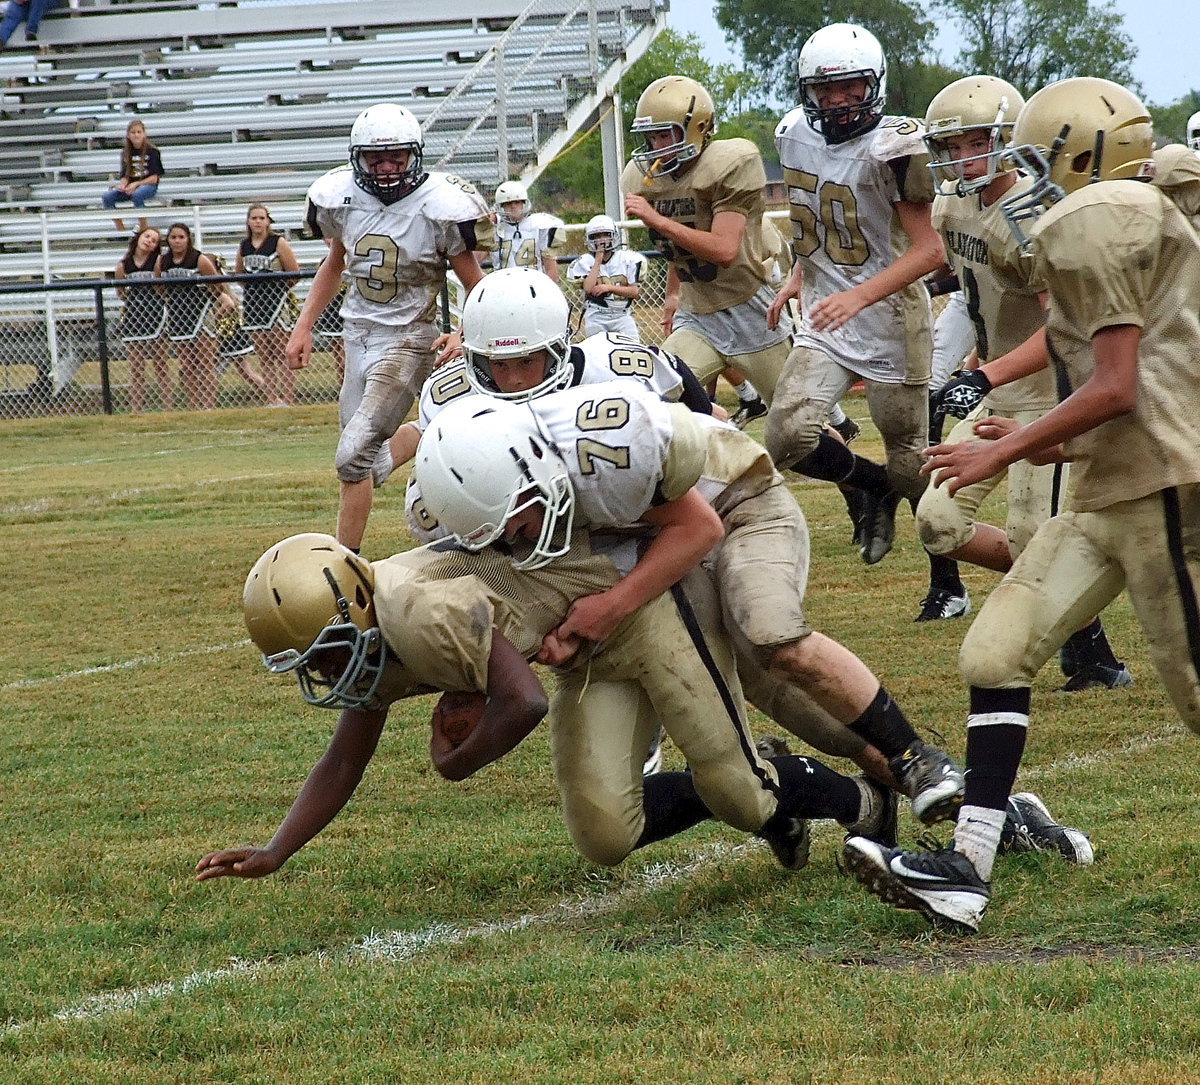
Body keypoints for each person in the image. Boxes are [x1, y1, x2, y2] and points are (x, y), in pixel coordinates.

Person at [844, 77, 1200, 934]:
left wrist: (998, 449)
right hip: (1110, 485)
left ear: (1082, 155)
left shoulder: (1098, 216)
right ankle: (966, 870)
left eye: (1038, 158)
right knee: (994, 652)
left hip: (1160, 489)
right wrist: (1033, 431)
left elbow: (1118, 388)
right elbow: (1123, 384)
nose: (1025, 174)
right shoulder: (1118, 213)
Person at [195, 531, 900, 883]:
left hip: (635, 606)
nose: (322, 672)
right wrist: (275, 850)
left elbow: (521, 699)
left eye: (321, 652)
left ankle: (864, 802)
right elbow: (346, 755)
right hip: (583, 646)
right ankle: (771, 768)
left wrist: (457, 760)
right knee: (604, 832)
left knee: (743, 794)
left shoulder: (413, 612)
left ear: (352, 610)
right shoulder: (374, 628)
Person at [414, 384, 969, 827]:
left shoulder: (604, 453)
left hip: (738, 507)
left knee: (768, 633)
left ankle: (918, 757)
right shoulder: (466, 490)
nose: (512, 539)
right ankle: (921, 798)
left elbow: (697, 527)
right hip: (665, 547)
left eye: (515, 521)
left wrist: (608, 609)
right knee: (776, 695)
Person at [915, 74, 1131, 680]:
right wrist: (971, 363)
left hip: (1047, 396)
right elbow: (973, 294)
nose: (961, 158)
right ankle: (1084, 623)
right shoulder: (950, 205)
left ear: (1007, 138)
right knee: (938, 523)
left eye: (974, 142)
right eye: (950, 147)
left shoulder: (1032, 218)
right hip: (996, 386)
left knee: (1036, 536)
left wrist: (984, 376)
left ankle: (1087, 648)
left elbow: (1063, 328)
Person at [765, 24, 969, 625]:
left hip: (890, 315)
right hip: (831, 310)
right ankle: (867, 483)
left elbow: (929, 250)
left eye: (849, 86)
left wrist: (856, 297)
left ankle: (947, 580)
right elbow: (818, 222)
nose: (836, 101)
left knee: (911, 455)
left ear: (872, 84)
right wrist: (802, 274)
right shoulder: (791, 135)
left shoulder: (895, 147)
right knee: (786, 436)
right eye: (824, 90)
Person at [286, 103, 492, 554]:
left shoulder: (440, 205)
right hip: (356, 333)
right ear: (357, 159)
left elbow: (474, 280)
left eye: (396, 156)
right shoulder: (340, 199)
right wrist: (304, 326)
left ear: (413, 155)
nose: (385, 167)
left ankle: (345, 564)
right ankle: (424, 435)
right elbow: (335, 263)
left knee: (351, 454)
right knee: (366, 460)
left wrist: (464, 330)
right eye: (375, 159)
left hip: (409, 337)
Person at [621, 76, 793, 419]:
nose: (655, 147)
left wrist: (656, 219)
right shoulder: (647, 180)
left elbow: (723, 249)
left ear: (697, 128)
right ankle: (721, 434)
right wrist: (673, 294)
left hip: (749, 306)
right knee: (657, 398)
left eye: (664, 134)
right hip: (697, 312)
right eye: (650, 137)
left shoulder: (729, 162)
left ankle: (850, 452)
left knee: (797, 427)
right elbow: (680, 242)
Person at [155, 223, 237, 411]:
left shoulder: (198, 259)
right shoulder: (163, 261)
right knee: (187, 364)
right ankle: (194, 406)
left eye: (181, 237)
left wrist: (219, 299)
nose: (177, 241)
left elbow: (217, 284)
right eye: (173, 237)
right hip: (178, 316)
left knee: (205, 362)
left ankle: (208, 406)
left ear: (188, 239)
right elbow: (158, 286)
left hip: (201, 314)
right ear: (168, 240)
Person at [237, 203, 301, 407]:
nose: (258, 222)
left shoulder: (277, 242)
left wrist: (277, 287)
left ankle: (288, 400)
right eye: (254, 218)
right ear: (248, 221)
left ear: (268, 221)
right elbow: (239, 274)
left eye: (262, 218)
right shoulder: (244, 246)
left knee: (282, 353)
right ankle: (272, 399)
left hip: (276, 303)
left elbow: (294, 272)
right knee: (264, 355)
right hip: (254, 304)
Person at [114, 225, 169, 413]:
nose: (149, 242)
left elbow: (161, 289)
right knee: (137, 367)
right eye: (147, 237)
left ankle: (168, 408)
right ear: (138, 238)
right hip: (134, 317)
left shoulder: (157, 262)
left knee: (160, 364)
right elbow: (120, 293)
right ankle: (136, 409)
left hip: (156, 315)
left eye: (154, 241)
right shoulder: (124, 265)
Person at [566, 214, 645, 338]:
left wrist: (609, 288)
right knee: (597, 350)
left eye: (606, 235)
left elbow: (634, 292)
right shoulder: (586, 261)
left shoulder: (627, 259)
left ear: (613, 236)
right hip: (597, 315)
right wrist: (598, 261)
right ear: (590, 238)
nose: (602, 240)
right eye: (597, 236)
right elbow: (588, 288)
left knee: (632, 349)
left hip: (622, 315)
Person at [492, 180, 565, 282]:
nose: (513, 206)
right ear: (501, 206)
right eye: (508, 203)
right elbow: (476, 260)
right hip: (504, 285)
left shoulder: (539, 225)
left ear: (524, 203)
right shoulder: (494, 229)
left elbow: (550, 267)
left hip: (534, 285)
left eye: (517, 202)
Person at [101, 120, 163, 233]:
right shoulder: (125, 152)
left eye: (139, 132)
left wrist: (137, 184)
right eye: (133, 132)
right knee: (107, 197)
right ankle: (121, 231)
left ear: (144, 134)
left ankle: (144, 229)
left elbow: (155, 178)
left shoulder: (153, 151)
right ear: (128, 135)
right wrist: (123, 185)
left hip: (148, 185)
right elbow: (125, 175)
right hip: (131, 186)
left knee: (137, 194)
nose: (136, 135)